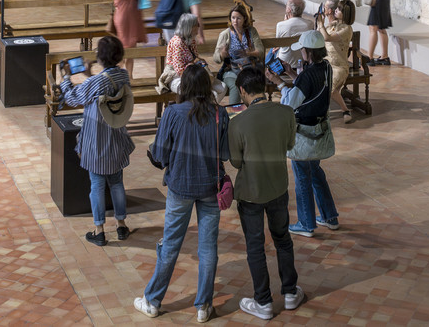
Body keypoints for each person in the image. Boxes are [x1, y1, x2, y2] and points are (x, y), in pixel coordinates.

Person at [135, 64, 229, 322]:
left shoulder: (173, 113)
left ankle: (153, 300)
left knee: (171, 244)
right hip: (211, 186)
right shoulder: (220, 114)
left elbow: (160, 155)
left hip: (180, 186)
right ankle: (203, 306)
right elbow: (227, 154)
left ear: (184, 86)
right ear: (208, 87)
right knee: (208, 248)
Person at [227, 65, 306, 320]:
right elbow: (290, 144)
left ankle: (263, 301)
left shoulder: (237, 123)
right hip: (278, 187)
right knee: (283, 239)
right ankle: (291, 292)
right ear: (265, 86)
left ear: (242, 90)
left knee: (255, 245)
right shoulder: (285, 113)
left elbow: (236, 163)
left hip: (251, 192)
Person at [58, 36, 135, 246]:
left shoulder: (96, 82)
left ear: (100, 58)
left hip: (97, 141)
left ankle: (99, 230)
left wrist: (66, 77)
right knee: (117, 183)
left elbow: (74, 98)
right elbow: (104, 87)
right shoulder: (123, 76)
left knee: (97, 186)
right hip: (117, 137)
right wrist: (89, 74)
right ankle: (121, 226)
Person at [272, 30, 338, 237]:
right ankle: (329, 217)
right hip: (319, 131)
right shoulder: (325, 67)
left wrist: (280, 84)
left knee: (302, 177)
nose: (300, 51)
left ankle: (306, 223)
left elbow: (289, 105)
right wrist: (293, 75)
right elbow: (311, 89)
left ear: (308, 52)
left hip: (303, 134)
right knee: (316, 173)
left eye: (302, 49)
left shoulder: (307, 75)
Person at [212, 2, 264, 105]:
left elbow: (261, 51)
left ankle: (257, 111)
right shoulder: (225, 34)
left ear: (244, 18)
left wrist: (249, 53)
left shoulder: (251, 31)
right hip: (231, 70)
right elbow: (216, 59)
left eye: (238, 18)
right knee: (236, 85)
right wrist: (222, 54)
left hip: (249, 69)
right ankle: (234, 114)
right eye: (233, 18)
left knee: (255, 83)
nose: (235, 21)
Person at [317, 0, 356, 123]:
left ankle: (345, 110)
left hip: (339, 67)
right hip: (326, 65)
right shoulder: (334, 25)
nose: (335, 11)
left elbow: (327, 38)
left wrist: (321, 25)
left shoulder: (346, 29)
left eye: (338, 10)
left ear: (345, 14)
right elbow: (320, 37)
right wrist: (320, 26)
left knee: (331, 89)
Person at [161, 13, 206, 93]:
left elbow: (195, 57)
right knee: (197, 89)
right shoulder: (177, 42)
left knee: (218, 87)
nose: (199, 27)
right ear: (189, 27)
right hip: (175, 76)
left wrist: (199, 61)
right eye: (197, 25)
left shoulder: (191, 39)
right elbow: (179, 70)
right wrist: (192, 64)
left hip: (190, 73)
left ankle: (204, 104)